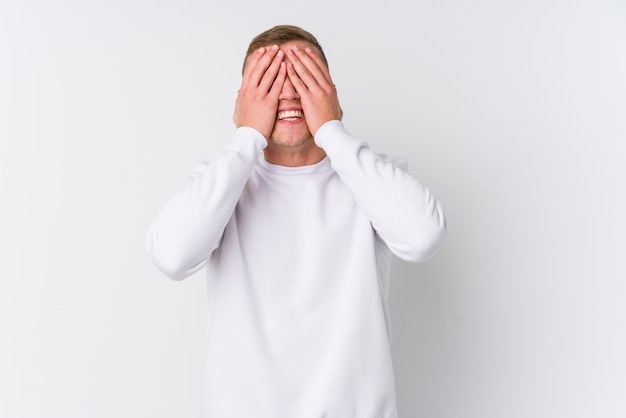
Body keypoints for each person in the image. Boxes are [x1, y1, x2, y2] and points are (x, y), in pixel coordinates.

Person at [147, 24, 446, 418]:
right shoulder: (220, 182)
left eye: (304, 78)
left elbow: (422, 236)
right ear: (244, 99)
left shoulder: (370, 178)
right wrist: (246, 135)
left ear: (330, 92)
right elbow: (172, 255)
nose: (287, 92)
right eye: (268, 81)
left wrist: (331, 130)